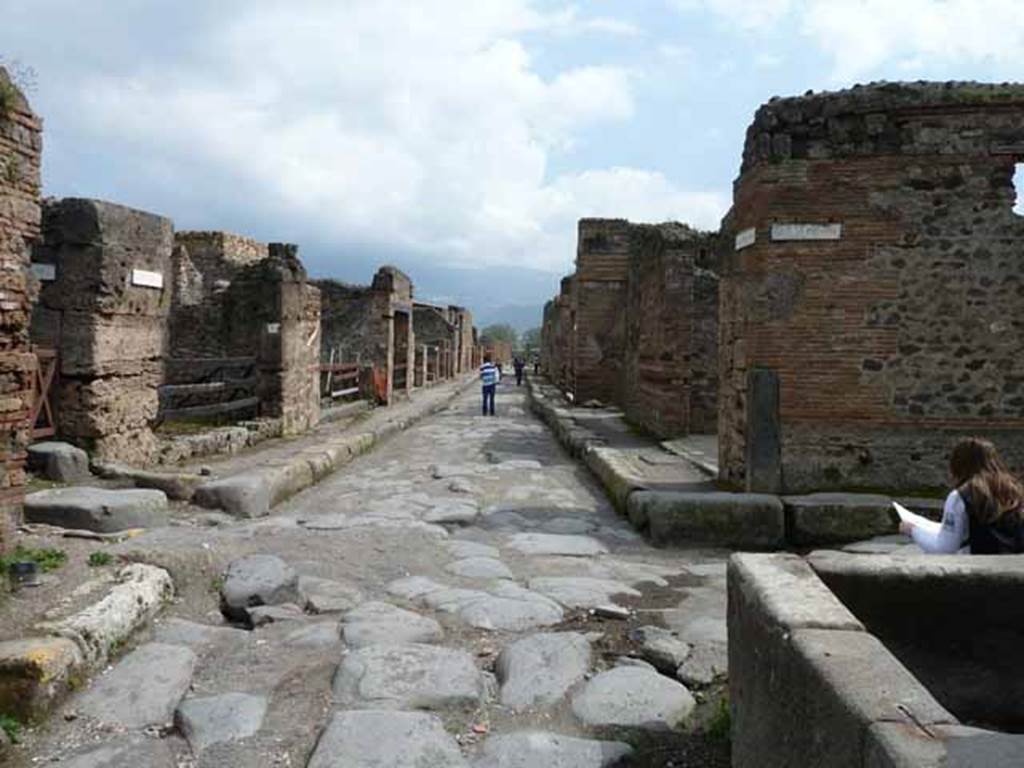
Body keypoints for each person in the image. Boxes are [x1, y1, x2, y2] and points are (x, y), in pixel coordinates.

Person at [900, 437, 1024, 554]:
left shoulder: (960, 497)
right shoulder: (1015, 491)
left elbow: (945, 548)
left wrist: (913, 531)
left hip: (981, 565)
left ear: (957, 465)